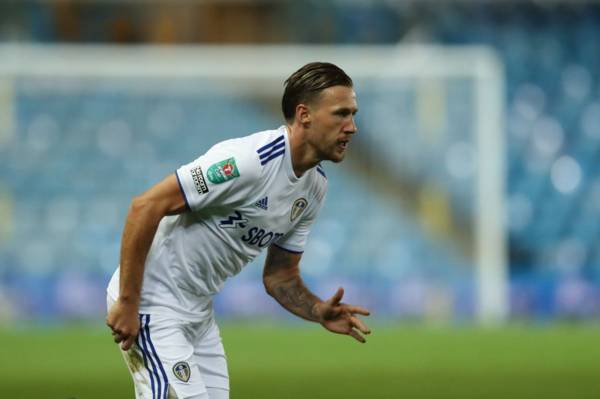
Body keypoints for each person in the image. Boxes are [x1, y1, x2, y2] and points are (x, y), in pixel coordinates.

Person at [106, 62, 371, 399]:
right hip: (151, 303)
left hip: (198, 313)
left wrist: (318, 310)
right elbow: (145, 207)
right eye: (341, 114)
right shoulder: (248, 161)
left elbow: (281, 277)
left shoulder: (314, 189)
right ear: (304, 115)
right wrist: (129, 301)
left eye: (353, 115)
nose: (352, 127)